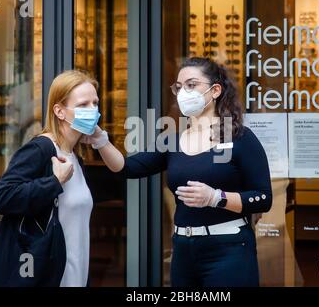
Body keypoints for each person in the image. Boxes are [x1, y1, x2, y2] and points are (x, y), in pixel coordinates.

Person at [84, 57, 273, 286]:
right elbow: (127, 168)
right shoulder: (172, 140)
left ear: (215, 90)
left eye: (191, 85)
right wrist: (100, 141)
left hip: (229, 249)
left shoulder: (240, 138)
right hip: (184, 249)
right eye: (179, 86)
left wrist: (216, 198)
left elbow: (263, 198)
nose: (183, 92)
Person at [0, 70, 121, 287]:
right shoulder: (41, 148)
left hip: (74, 275)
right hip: (44, 276)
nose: (92, 110)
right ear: (59, 111)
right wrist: (54, 183)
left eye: (95, 103)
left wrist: (101, 141)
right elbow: (3, 197)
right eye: (83, 105)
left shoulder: (75, 156)